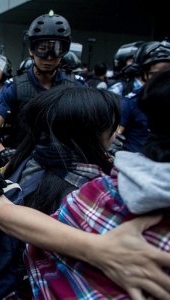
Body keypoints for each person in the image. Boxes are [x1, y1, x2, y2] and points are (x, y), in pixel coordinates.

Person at [22, 66, 170, 300]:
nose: (118, 136)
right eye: (111, 128)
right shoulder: (85, 191)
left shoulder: (36, 164)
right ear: (87, 133)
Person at [0, 10, 86, 149]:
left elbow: (93, 128)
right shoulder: (14, 87)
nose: (49, 57)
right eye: (42, 49)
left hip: (67, 162)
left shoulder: (77, 85)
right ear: (31, 49)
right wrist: (5, 154)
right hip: (24, 163)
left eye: (57, 50)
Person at [117, 39, 170, 153]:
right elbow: (117, 135)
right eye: (156, 74)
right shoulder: (130, 102)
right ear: (145, 74)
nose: (162, 79)